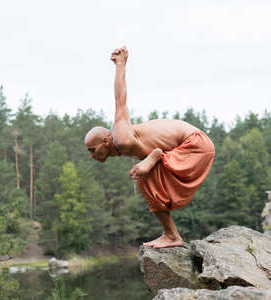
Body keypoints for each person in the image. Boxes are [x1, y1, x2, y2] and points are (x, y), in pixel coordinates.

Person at [84, 46, 215, 248]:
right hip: (193, 145)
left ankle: (172, 235)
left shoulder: (121, 137)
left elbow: (120, 99)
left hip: (195, 144)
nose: (92, 156)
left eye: (92, 150)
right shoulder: (122, 141)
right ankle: (171, 234)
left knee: (145, 177)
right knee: (147, 178)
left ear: (105, 141)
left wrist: (121, 64)